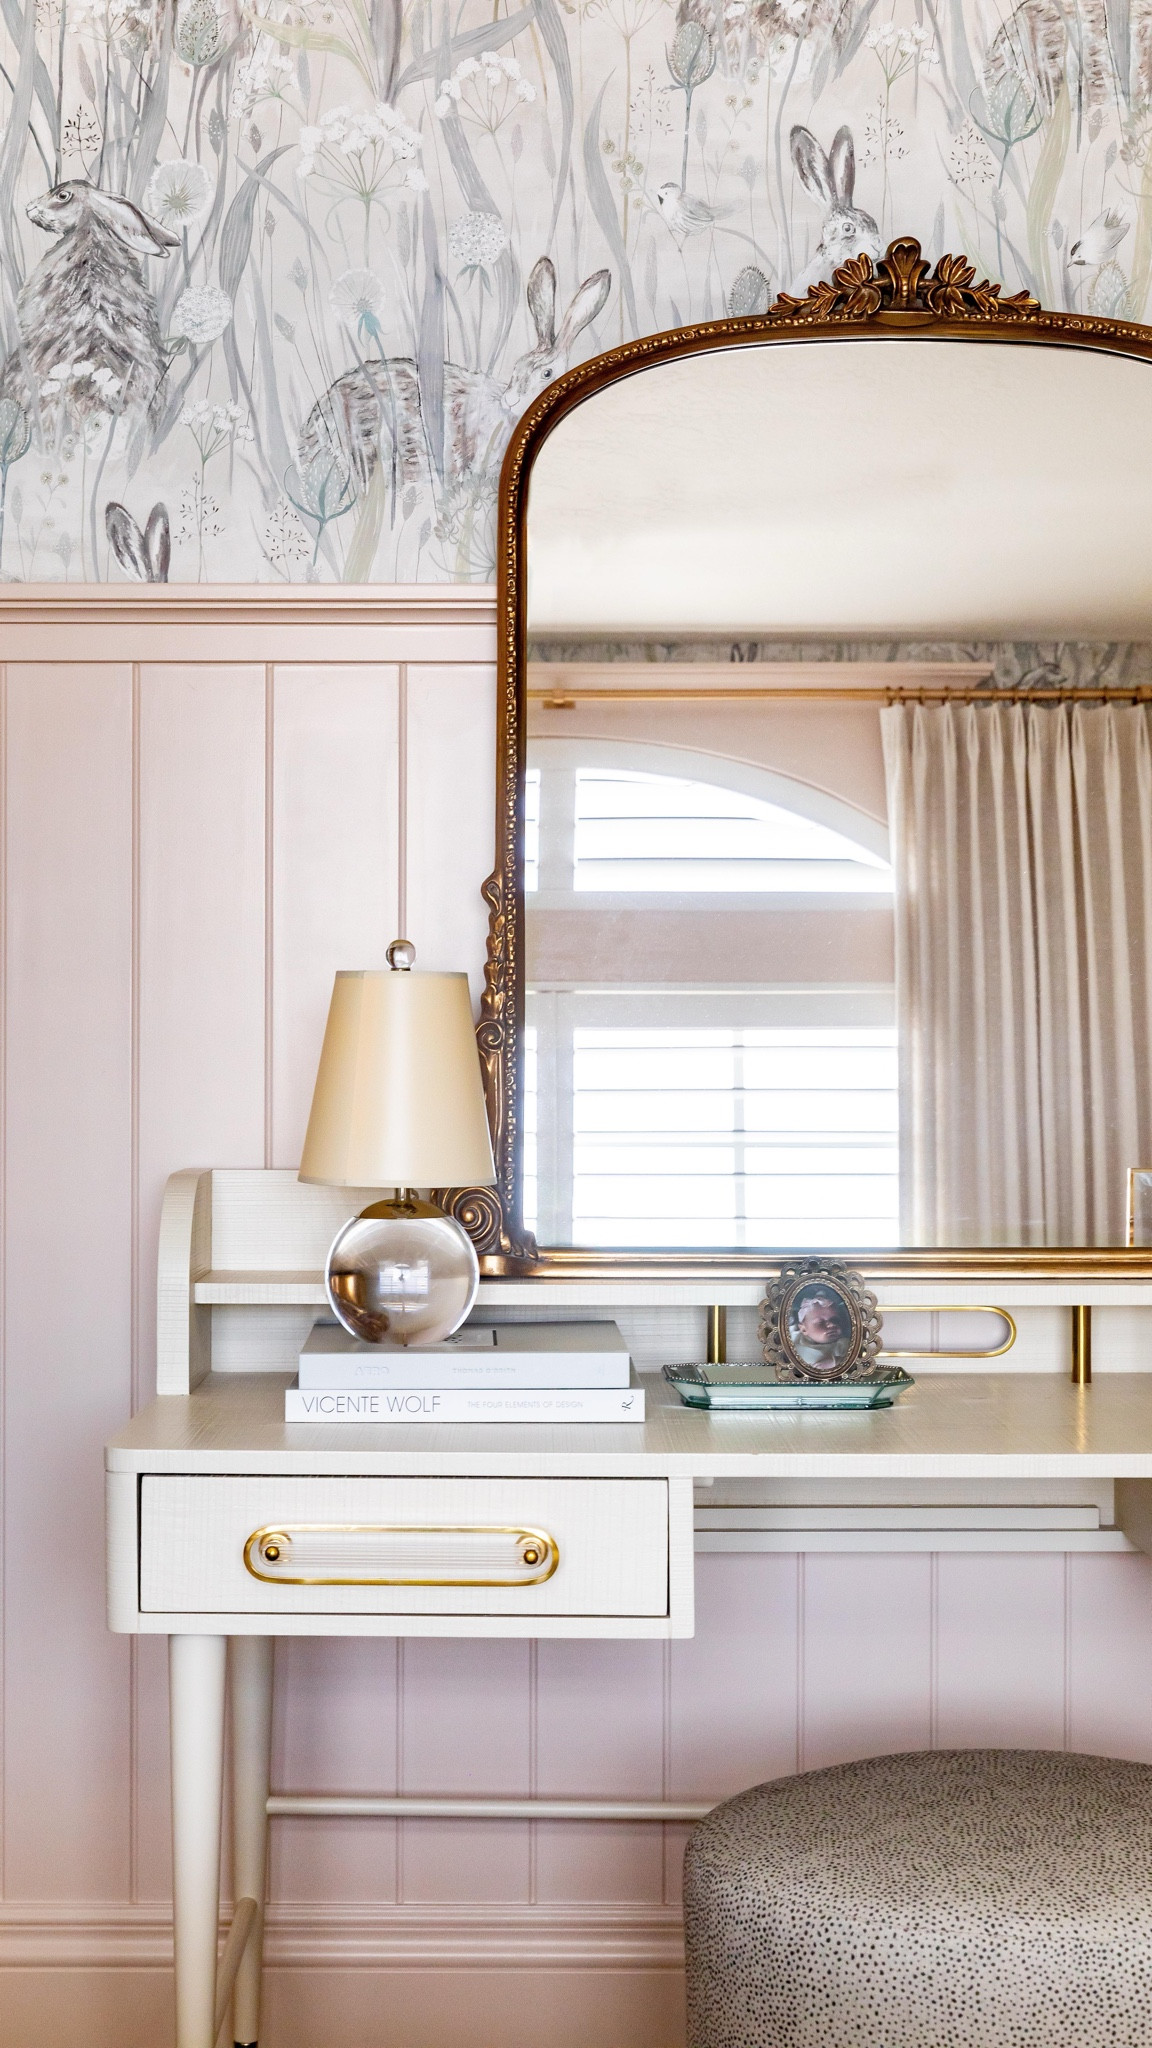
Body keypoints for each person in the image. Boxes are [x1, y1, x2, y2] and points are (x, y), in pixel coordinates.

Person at [789, 1284, 852, 1370]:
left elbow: (853, 1362)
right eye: (820, 1322)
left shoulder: (842, 1345)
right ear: (803, 1329)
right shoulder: (795, 1339)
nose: (831, 1324)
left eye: (835, 1320)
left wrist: (835, 1362)